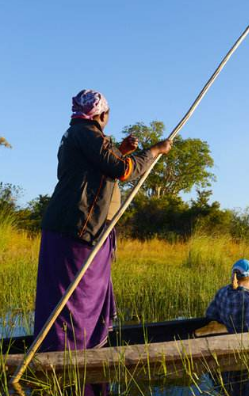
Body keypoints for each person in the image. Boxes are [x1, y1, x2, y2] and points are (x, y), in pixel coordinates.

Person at [34, 89, 172, 351]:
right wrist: (154, 151)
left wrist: (120, 150)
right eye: (108, 114)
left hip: (72, 226)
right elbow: (122, 170)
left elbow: (98, 168)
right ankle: (70, 349)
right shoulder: (87, 133)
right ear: (101, 114)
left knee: (70, 292)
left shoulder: (77, 134)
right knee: (76, 294)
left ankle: (72, 343)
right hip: (77, 229)